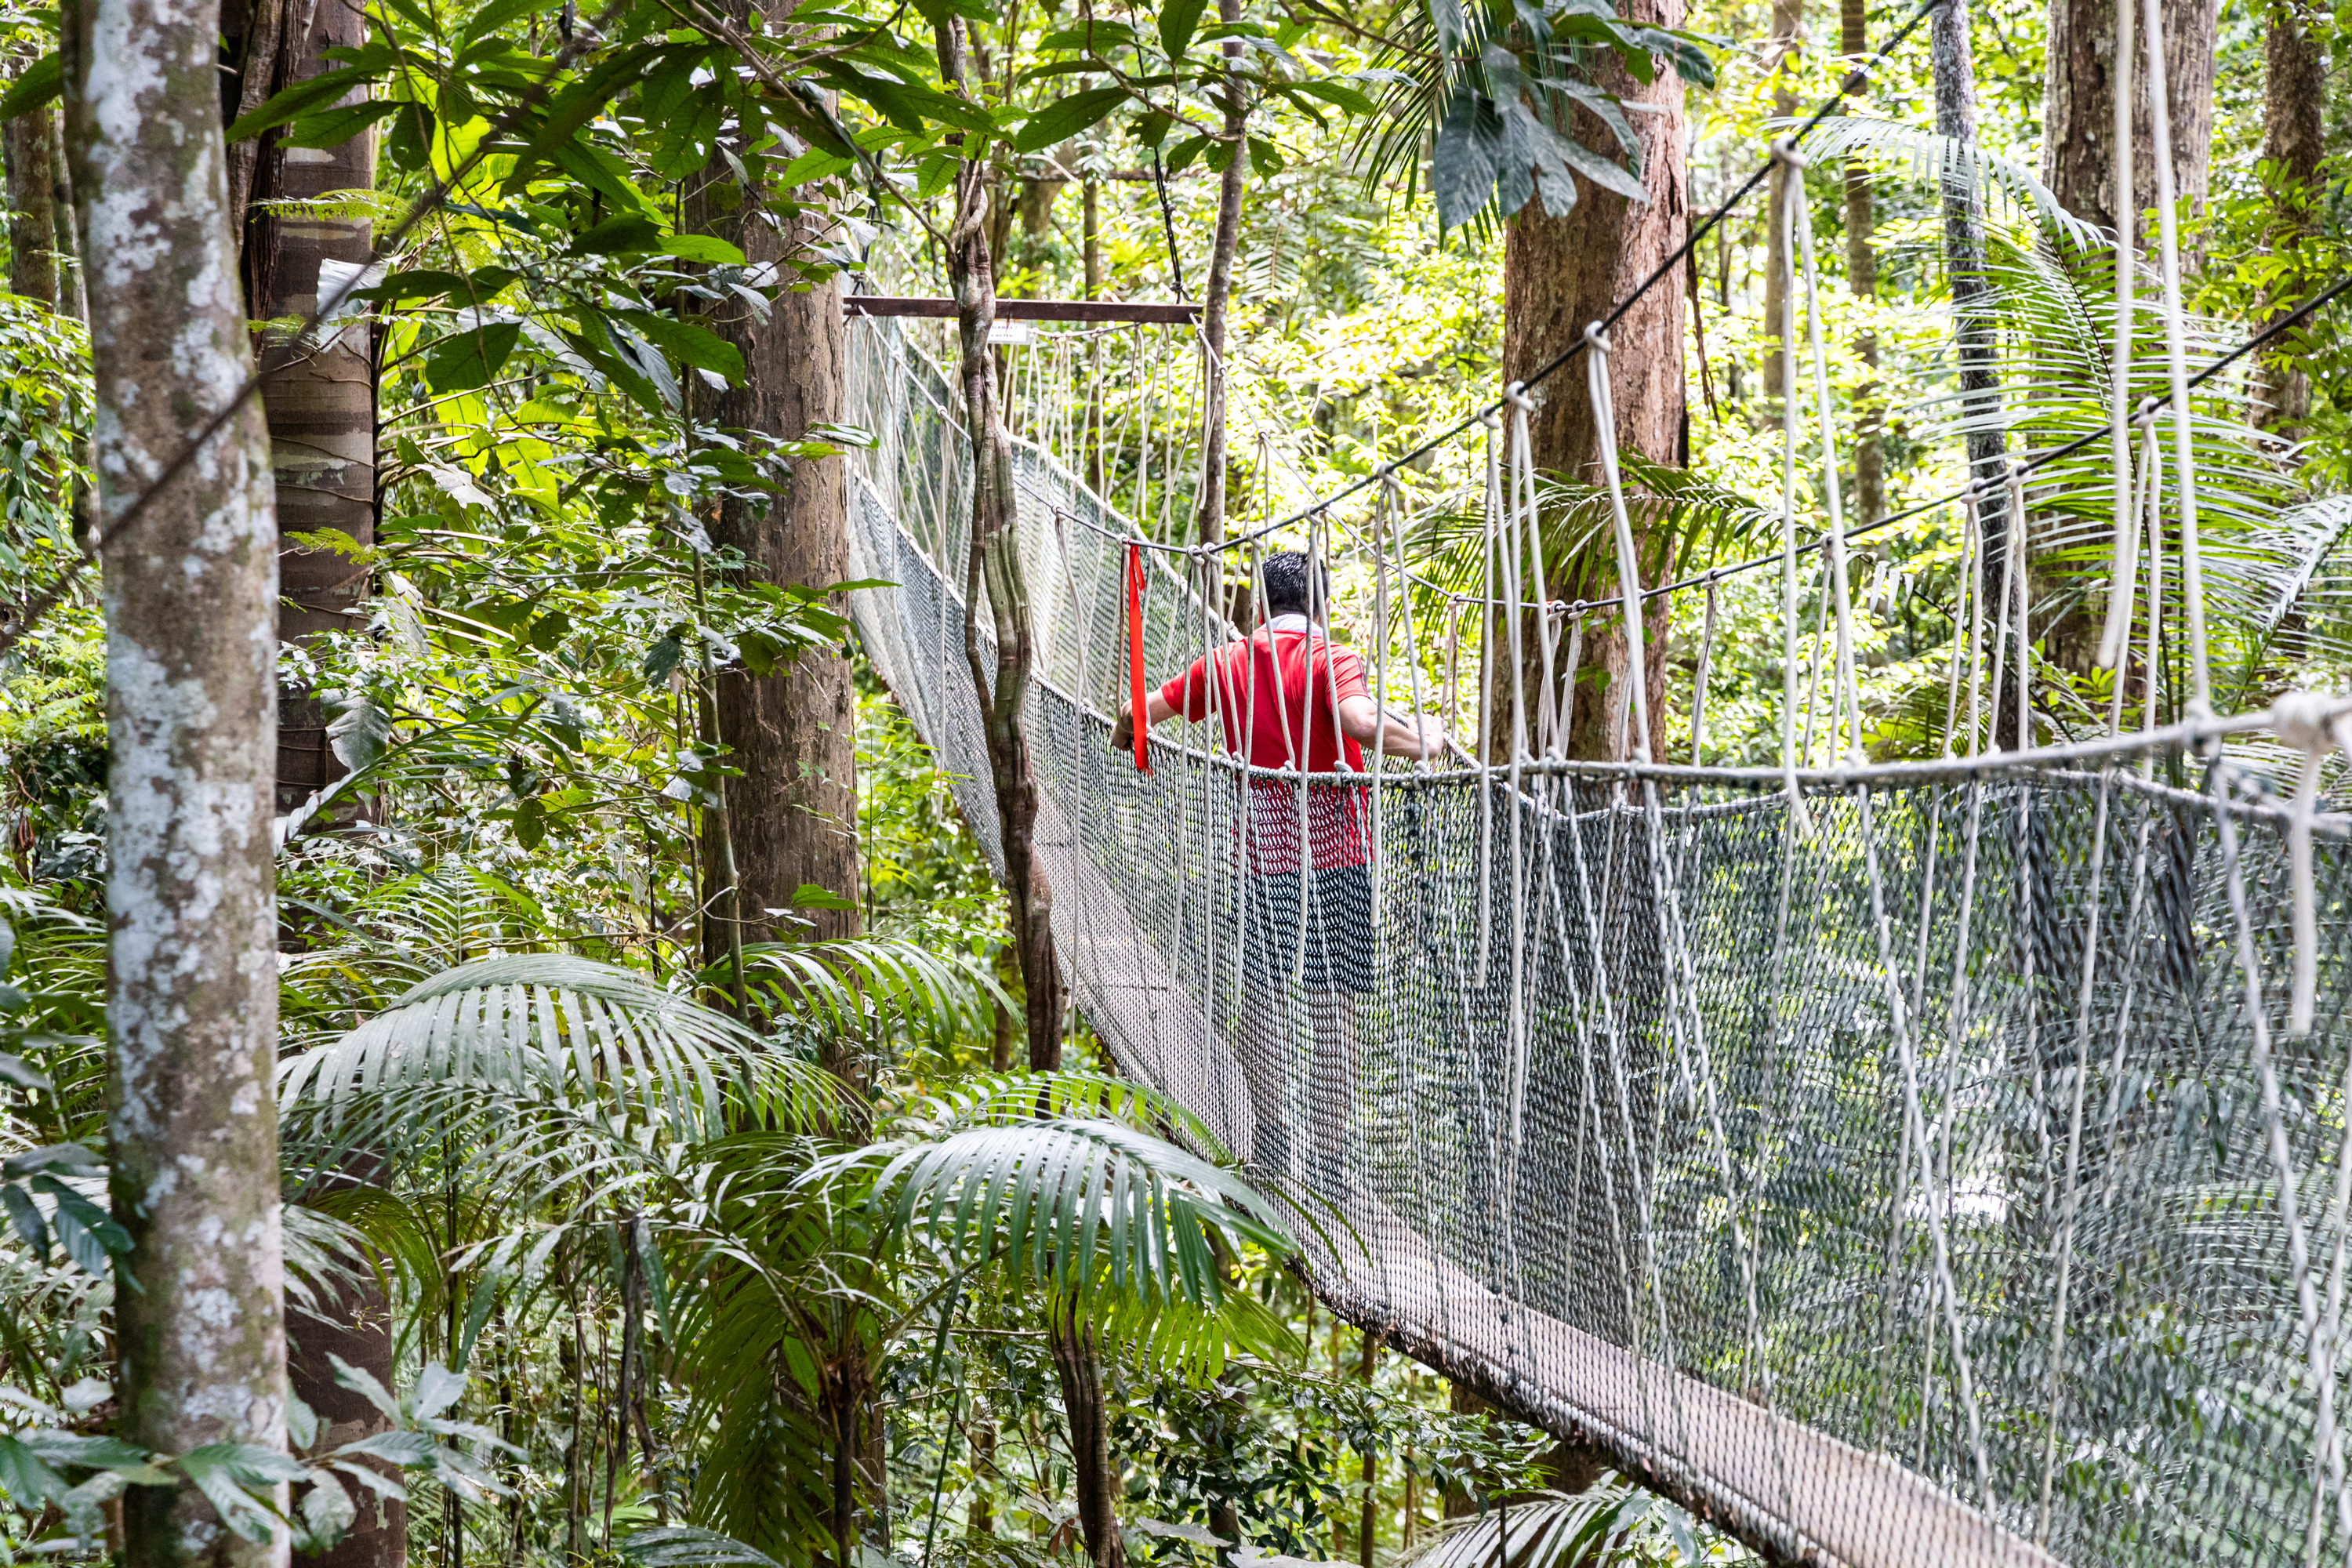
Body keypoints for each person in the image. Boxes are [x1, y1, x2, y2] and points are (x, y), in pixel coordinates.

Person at [1112, 550, 1439, 1190]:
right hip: (1339, 856)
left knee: (1261, 996)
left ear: (1260, 607)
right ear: (1323, 606)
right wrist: (1432, 736)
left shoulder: (1230, 661)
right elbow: (1358, 720)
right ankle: (1331, 1160)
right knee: (1334, 1005)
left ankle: (1271, 1138)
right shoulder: (1331, 657)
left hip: (1261, 858)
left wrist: (1128, 733)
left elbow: (1137, 714)